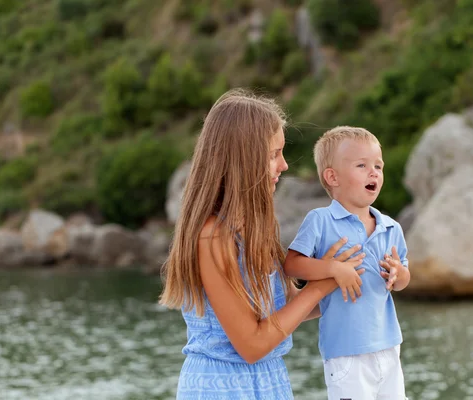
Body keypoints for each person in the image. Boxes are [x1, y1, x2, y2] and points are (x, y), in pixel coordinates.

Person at [158, 89, 367, 400]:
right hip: (222, 388)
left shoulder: (254, 227)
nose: (283, 165)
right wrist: (318, 288)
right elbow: (252, 345)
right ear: (244, 159)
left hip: (268, 382)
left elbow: (286, 308)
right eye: (273, 154)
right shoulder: (212, 237)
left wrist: (345, 278)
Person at [284, 126, 411, 400]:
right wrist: (332, 268)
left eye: (378, 165)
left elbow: (403, 280)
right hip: (346, 350)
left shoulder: (390, 228)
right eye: (362, 165)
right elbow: (292, 264)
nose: (374, 172)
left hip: (389, 346)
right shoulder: (320, 221)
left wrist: (398, 274)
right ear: (332, 177)